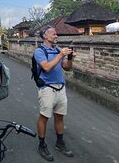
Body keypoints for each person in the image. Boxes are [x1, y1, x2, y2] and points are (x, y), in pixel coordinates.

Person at [34, 25, 75, 161]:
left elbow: (67, 68)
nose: (56, 36)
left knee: (59, 117)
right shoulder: (40, 51)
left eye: (56, 34)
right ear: (45, 36)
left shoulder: (57, 49)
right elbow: (46, 67)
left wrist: (69, 57)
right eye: (54, 34)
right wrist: (60, 54)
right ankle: (41, 145)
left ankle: (60, 143)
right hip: (47, 89)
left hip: (60, 88)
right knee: (44, 117)